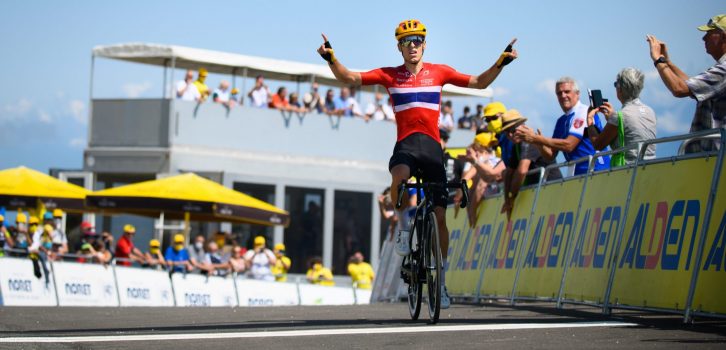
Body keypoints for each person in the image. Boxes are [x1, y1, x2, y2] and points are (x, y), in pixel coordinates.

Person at [317, 20, 517, 309]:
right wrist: (331, 58)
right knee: (398, 175)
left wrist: (501, 62)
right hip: (407, 146)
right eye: (407, 41)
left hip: (433, 149)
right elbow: (349, 78)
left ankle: (442, 283)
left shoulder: (439, 72)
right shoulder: (390, 74)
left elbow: (478, 83)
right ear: (399, 46)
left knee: (439, 217)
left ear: (425, 44)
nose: (413, 45)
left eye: (418, 40)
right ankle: (401, 229)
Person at [646, 14, 726, 153]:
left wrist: (658, 60)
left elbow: (679, 89)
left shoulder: (723, 70)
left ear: (724, 37)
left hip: (714, 158)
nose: (704, 38)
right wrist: (667, 62)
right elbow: (691, 86)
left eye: (710, 33)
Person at [515, 77, 610, 176]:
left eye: (567, 91)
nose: (563, 96)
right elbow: (550, 155)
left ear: (577, 94)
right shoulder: (561, 121)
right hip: (577, 174)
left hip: (596, 170)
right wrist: (535, 141)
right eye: (559, 93)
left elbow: (569, 145)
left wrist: (536, 138)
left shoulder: (583, 112)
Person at [585, 68, 657, 165]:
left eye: (616, 84)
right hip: (651, 165)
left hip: (627, 169)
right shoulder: (650, 111)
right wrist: (612, 118)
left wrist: (590, 122)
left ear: (620, 88)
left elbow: (598, 145)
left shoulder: (620, 116)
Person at [499, 110, 562, 219]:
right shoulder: (517, 144)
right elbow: (509, 173)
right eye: (506, 132)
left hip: (551, 188)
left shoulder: (529, 141)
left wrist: (512, 198)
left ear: (522, 126)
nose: (510, 134)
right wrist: (506, 199)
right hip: (538, 190)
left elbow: (522, 171)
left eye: (513, 130)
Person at [458, 132, 505, 226]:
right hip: (494, 194)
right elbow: (465, 181)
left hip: (499, 192)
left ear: (483, 151)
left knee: (481, 182)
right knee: (473, 185)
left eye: (474, 153)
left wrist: (472, 211)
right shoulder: (481, 161)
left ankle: (472, 216)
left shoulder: (489, 160)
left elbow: (483, 184)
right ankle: (472, 216)